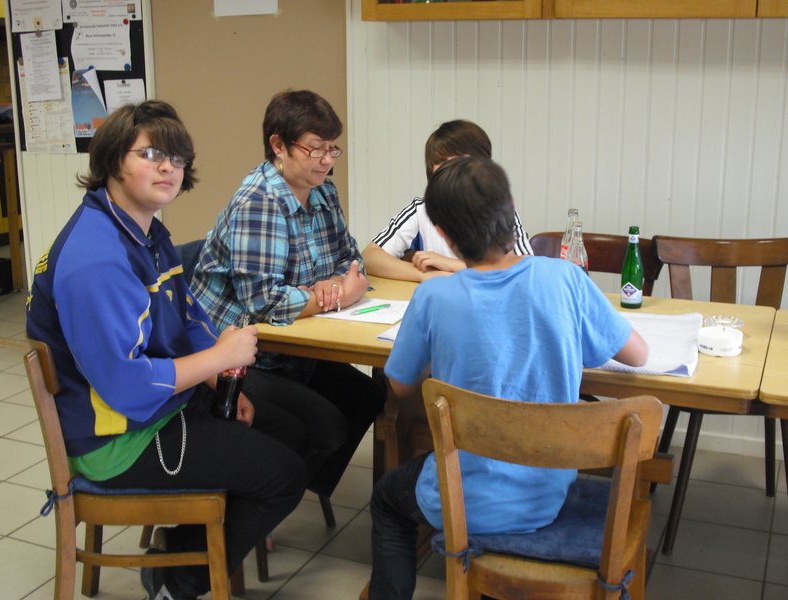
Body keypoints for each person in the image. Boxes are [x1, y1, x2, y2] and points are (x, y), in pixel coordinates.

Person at [25, 100, 307, 600]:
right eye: (150, 154)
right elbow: (126, 387)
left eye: (176, 158)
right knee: (284, 475)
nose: (168, 168)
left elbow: (187, 319)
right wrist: (220, 359)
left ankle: (192, 542)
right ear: (113, 161)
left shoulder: (144, 229)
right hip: (116, 440)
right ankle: (177, 580)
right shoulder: (97, 258)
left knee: (291, 428)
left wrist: (218, 377)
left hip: (154, 409)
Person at [366, 157, 648, 600]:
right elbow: (637, 354)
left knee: (387, 498)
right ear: (511, 208)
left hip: (458, 500)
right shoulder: (564, 279)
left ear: (443, 234)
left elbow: (400, 385)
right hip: (547, 493)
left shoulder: (433, 296)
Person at [192, 89, 385, 501]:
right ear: (279, 145)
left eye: (332, 148)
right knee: (326, 425)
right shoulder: (259, 202)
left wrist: (336, 284)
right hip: (239, 355)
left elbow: (350, 258)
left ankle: (286, 487)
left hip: (290, 346)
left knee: (369, 395)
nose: (327, 160)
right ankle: (262, 497)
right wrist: (340, 297)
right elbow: (264, 302)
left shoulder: (323, 191)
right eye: (315, 149)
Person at [361, 119, 534, 282]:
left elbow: (525, 268)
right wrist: (423, 274)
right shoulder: (421, 209)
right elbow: (370, 257)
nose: (453, 170)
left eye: (460, 161)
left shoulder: (498, 207)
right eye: (442, 162)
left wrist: (452, 265)